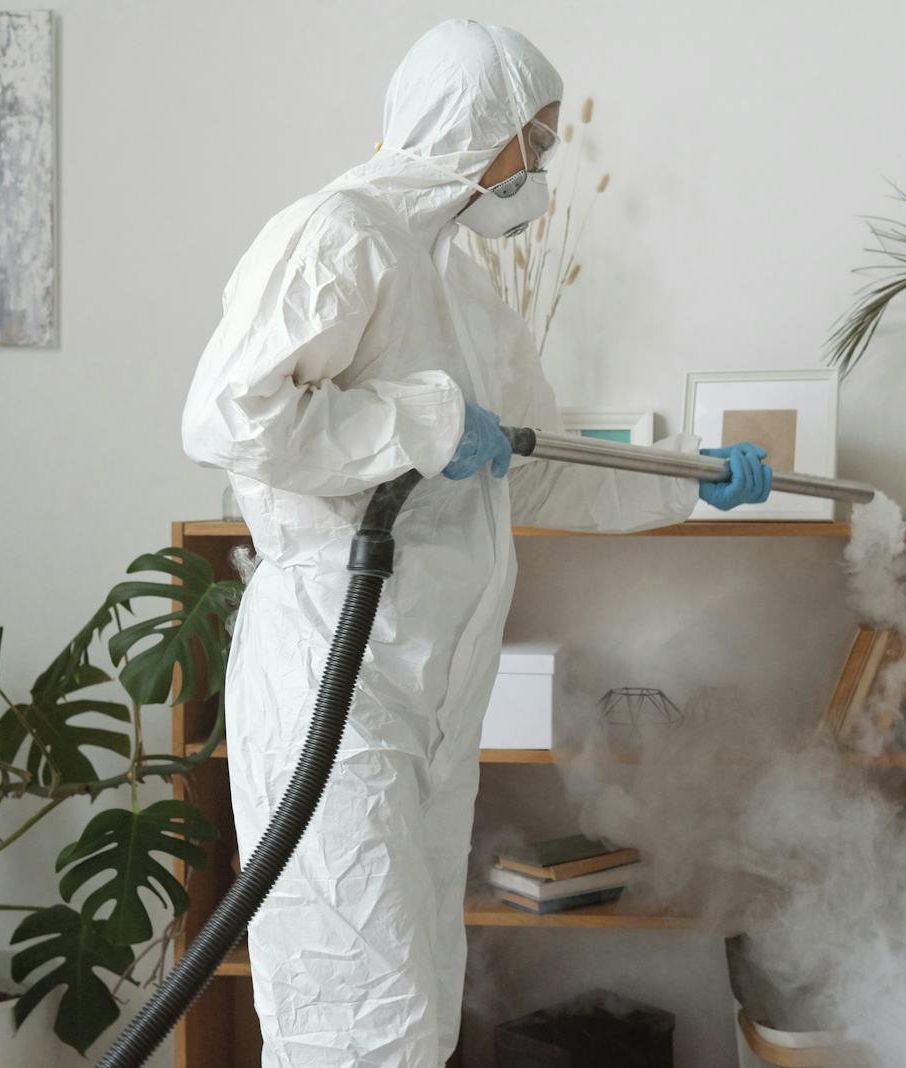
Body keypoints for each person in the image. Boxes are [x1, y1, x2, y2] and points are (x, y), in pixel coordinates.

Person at [180, 18, 772, 1066]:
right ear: (477, 127)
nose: (542, 165)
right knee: (357, 1010)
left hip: (432, 681)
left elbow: (534, 464)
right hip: (335, 667)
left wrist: (691, 481)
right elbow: (231, 422)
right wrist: (419, 421)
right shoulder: (337, 234)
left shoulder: (461, 283)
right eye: (535, 140)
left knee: (422, 994)